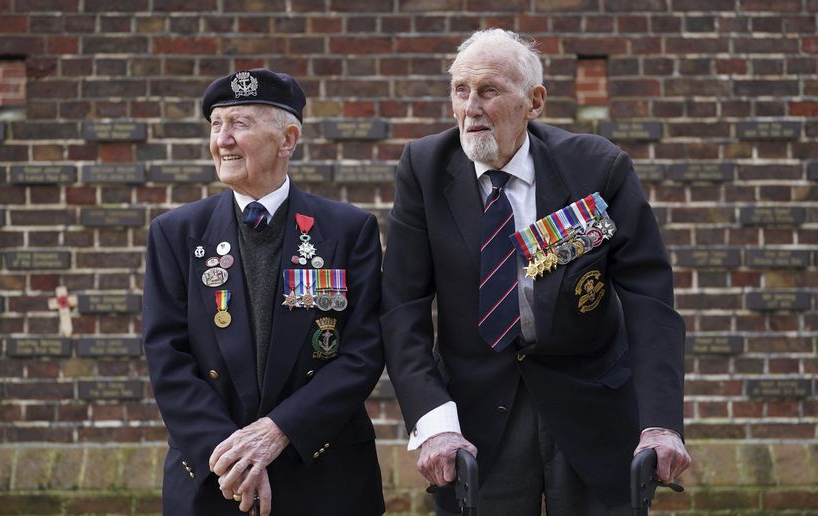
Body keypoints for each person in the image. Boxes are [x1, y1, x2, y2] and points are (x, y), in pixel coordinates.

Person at [381, 29, 691, 515]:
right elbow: (402, 308)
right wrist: (435, 422)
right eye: (461, 91)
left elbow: (650, 301)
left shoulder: (597, 167)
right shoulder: (423, 168)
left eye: (488, 91)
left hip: (593, 405)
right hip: (476, 422)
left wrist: (661, 422)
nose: (471, 108)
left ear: (535, 101)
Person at [143, 68, 385, 516]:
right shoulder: (175, 234)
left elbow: (364, 351)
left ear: (287, 140)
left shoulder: (348, 230)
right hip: (214, 479)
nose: (223, 140)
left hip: (323, 474)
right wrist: (233, 456)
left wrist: (278, 431)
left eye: (240, 124)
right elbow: (166, 355)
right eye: (216, 126)